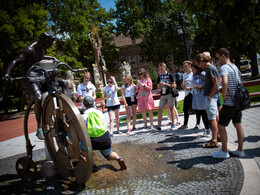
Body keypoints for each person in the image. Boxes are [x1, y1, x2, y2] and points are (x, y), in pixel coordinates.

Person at [4, 32, 64, 140]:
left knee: (59, 84)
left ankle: (63, 114)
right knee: (39, 98)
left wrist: (52, 58)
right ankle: (39, 127)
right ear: (44, 40)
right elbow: (16, 60)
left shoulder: (43, 48)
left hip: (40, 74)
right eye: (50, 42)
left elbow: (39, 57)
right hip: (30, 78)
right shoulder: (29, 49)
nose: (51, 45)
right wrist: (7, 73)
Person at [212, 48, 245, 158]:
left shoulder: (224, 67)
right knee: (238, 125)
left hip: (230, 102)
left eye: (217, 58)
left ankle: (224, 151)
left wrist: (224, 94)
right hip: (238, 101)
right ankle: (240, 150)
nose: (217, 61)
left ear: (222, 56)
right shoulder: (235, 67)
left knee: (221, 125)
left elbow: (225, 81)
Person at [81, 96, 127, 170]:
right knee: (108, 153)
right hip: (104, 137)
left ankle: (93, 165)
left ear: (84, 104)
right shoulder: (100, 113)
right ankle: (119, 158)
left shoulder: (83, 117)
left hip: (92, 140)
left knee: (83, 148)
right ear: (94, 103)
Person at [194, 53, 219, 148]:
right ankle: (217, 136)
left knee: (212, 118)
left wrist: (210, 96)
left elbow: (216, 84)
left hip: (211, 96)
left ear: (201, 61)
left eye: (198, 63)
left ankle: (214, 140)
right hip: (210, 96)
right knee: (215, 116)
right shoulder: (208, 69)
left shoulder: (210, 68)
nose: (198, 66)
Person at [153, 62, 176, 131]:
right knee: (160, 109)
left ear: (165, 67)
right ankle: (159, 126)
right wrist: (159, 86)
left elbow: (174, 85)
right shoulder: (159, 76)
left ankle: (173, 124)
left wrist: (166, 84)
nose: (161, 69)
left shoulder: (169, 75)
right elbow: (158, 87)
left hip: (169, 93)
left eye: (162, 67)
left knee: (171, 109)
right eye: (159, 68)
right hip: (163, 94)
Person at [191, 64, 211, 137]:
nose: (192, 71)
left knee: (204, 114)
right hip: (196, 97)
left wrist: (201, 87)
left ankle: (209, 129)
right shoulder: (194, 75)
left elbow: (208, 84)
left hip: (202, 96)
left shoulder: (203, 74)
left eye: (193, 69)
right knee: (200, 113)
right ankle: (206, 129)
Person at [178, 61, 193, 130]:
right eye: (184, 66)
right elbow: (184, 83)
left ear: (190, 65)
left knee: (198, 110)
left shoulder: (193, 74)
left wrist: (190, 87)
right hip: (187, 93)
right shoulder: (184, 75)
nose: (185, 68)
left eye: (186, 66)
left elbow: (196, 83)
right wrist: (183, 86)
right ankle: (185, 124)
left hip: (193, 93)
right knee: (185, 109)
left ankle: (198, 123)